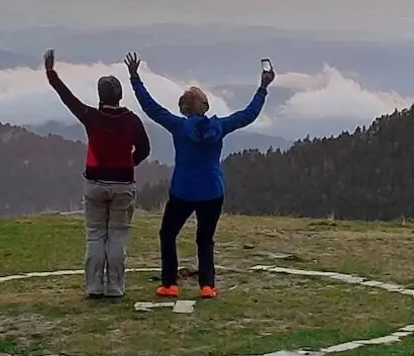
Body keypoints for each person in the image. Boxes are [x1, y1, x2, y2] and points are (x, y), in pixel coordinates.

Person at [124, 52, 274, 299]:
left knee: (168, 234)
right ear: (206, 106)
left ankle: (170, 284)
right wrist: (263, 88)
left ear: (182, 109)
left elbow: (150, 108)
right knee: (205, 239)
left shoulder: (178, 126)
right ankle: (207, 286)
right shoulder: (221, 126)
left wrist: (135, 78)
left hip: (182, 190)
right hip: (212, 191)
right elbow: (249, 114)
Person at [45, 49, 151, 299]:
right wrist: (128, 163)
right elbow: (145, 149)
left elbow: (67, 98)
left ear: (100, 96)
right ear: (120, 95)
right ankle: (115, 287)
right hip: (123, 184)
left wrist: (52, 74)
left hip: (94, 183)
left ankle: (93, 287)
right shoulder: (132, 120)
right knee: (117, 235)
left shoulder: (92, 116)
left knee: (95, 235)